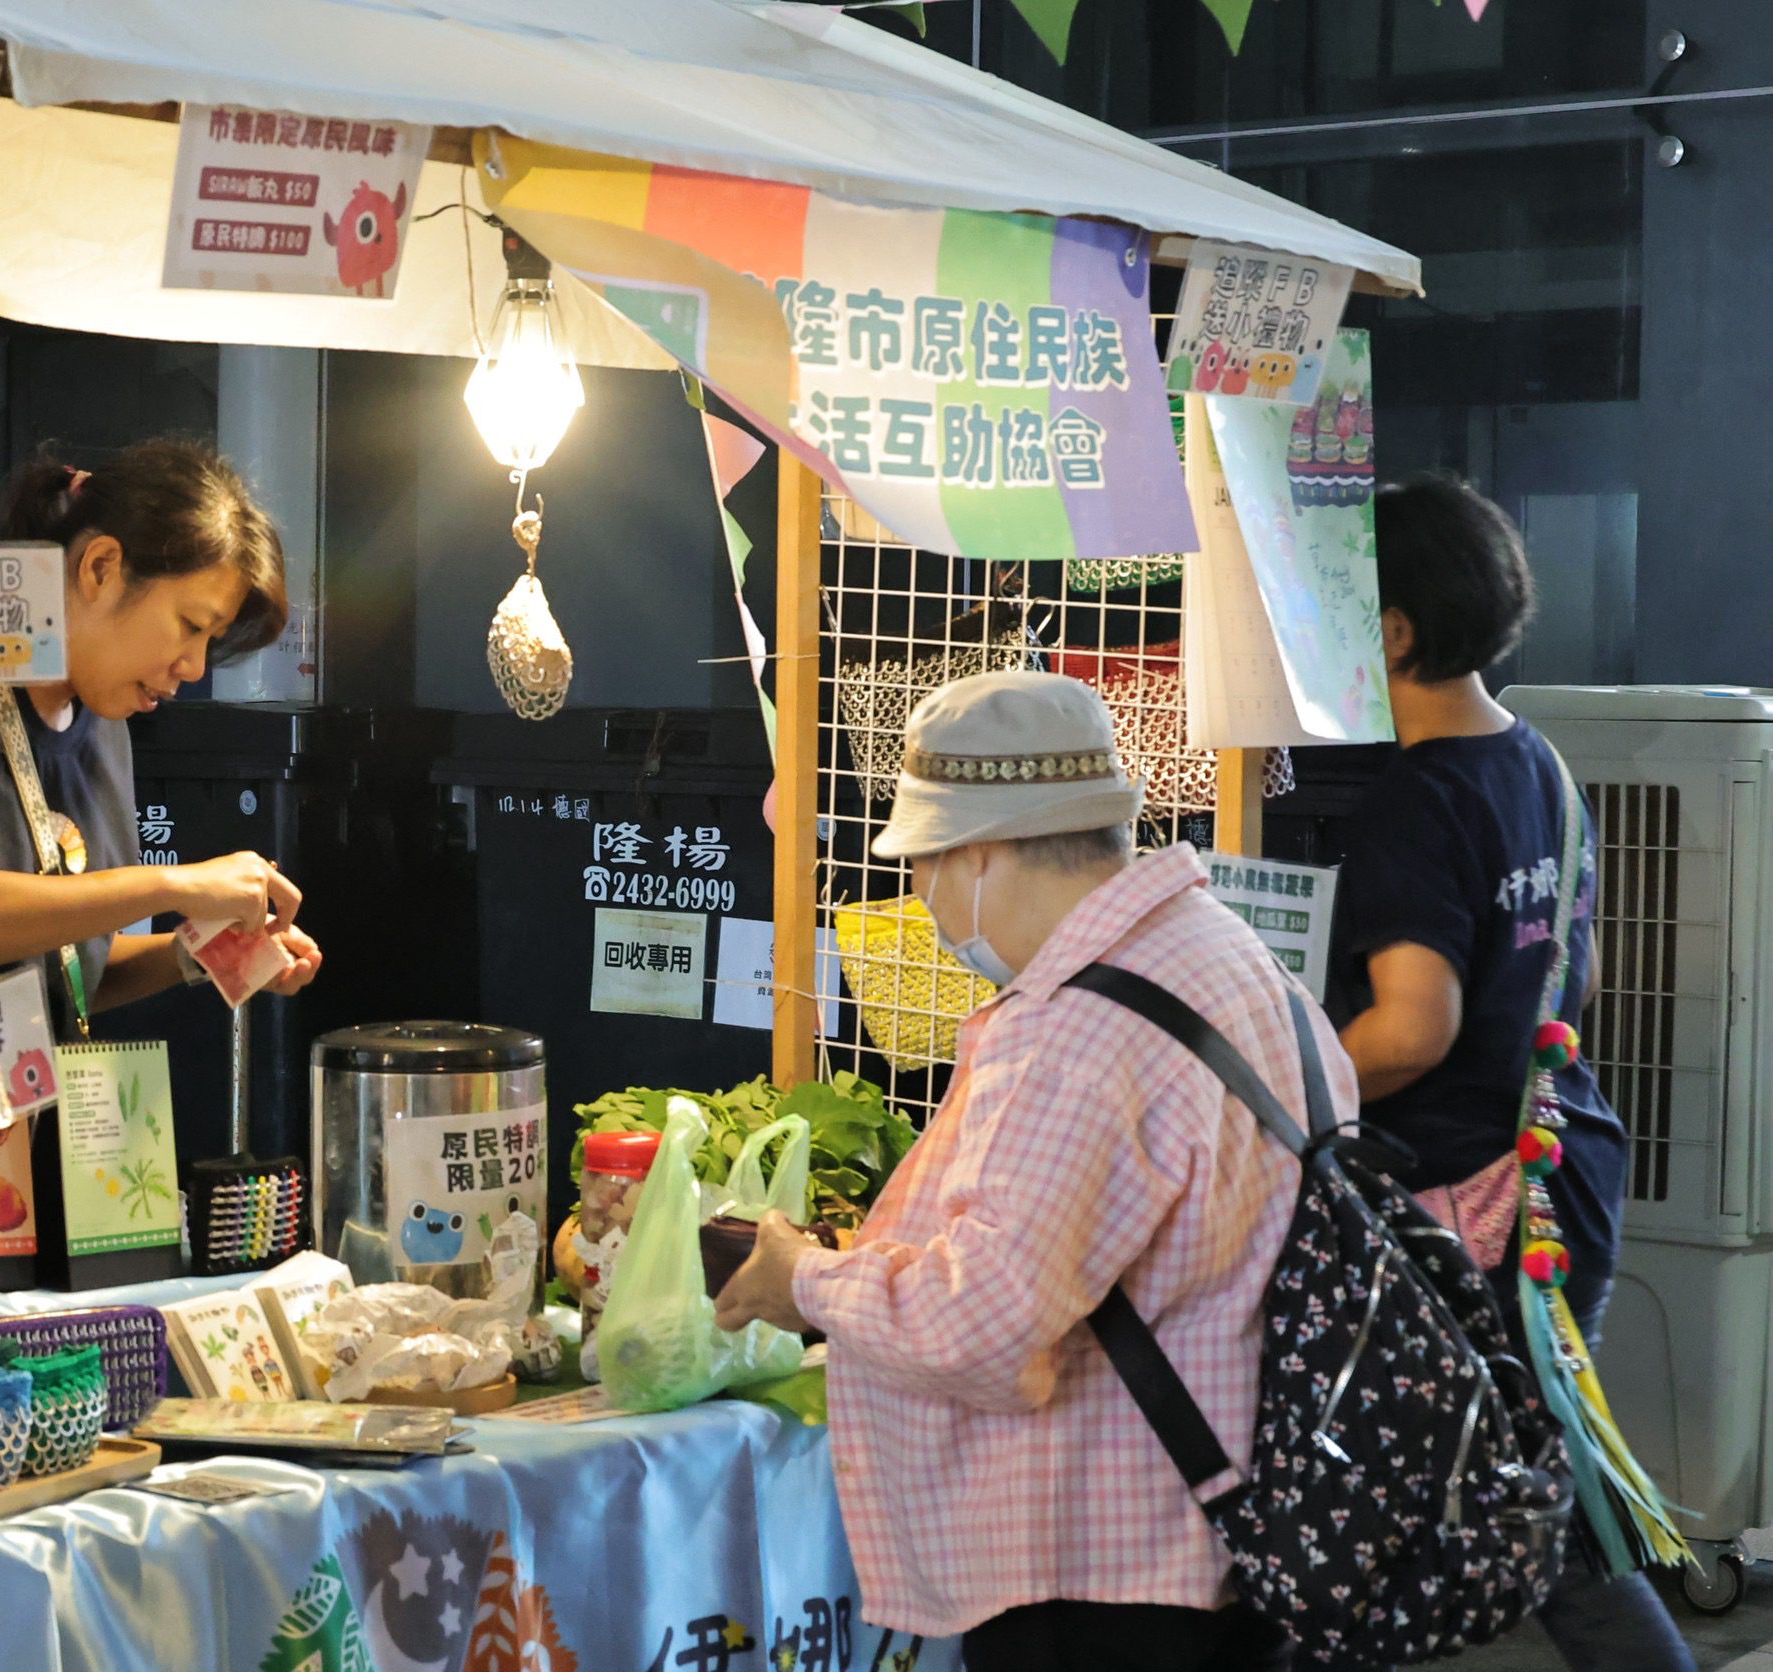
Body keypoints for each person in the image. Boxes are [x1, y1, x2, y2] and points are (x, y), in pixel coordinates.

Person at [718, 669, 1345, 1672]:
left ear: (980, 855)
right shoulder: (1229, 954)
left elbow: (983, 1327)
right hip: (1242, 1528)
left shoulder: (1077, 1031)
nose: (921, 897)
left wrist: (802, 1279)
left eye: (923, 864)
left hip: (1108, 1575)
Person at [1327, 475, 1692, 1672]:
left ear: (1391, 631)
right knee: (1533, 1488)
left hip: (1472, 1208)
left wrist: (1281, 1081)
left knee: (1539, 1515)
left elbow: (1411, 1029)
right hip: (1563, 1167)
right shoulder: (1537, 763)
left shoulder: (1418, 800)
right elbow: (1568, 988)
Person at [0, 440, 323, 1032]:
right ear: (101, 567)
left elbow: (72, 971)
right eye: (190, 626)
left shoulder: (106, 724)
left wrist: (202, 950)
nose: (195, 667)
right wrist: (174, 883)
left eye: (210, 640)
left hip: (26, 1118)